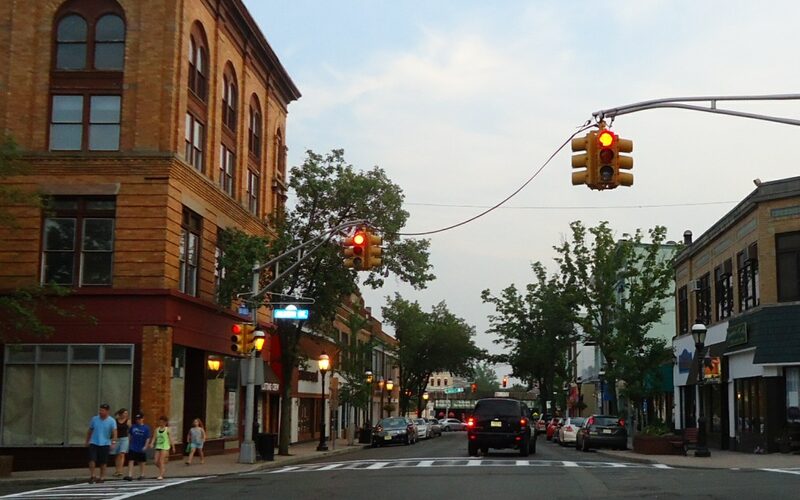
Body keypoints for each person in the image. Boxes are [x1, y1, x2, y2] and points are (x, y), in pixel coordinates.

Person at [85, 403, 117, 484]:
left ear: (107, 411)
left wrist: (113, 442)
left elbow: (114, 432)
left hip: (105, 443)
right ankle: (93, 475)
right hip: (94, 442)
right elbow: (90, 430)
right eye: (100, 410)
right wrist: (87, 440)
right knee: (92, 459)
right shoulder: (94, 419)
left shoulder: (111, 421)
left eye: (102, 410)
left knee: (103, 462)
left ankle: (102, 477)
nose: (100, 412)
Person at [125, 412, 151, 481]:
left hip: (141, 446)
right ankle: (130, 475)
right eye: (137, 419)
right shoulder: (133, 426)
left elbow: (148, 438)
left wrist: (146, 446)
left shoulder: (146, 428)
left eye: (139, 419)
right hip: (133, 446)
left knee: (141, 461)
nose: (138, 420)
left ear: (143, 419)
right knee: (131, 460)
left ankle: (142, 474)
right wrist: (129, 442)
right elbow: (130, 434)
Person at [150, 416, 175, 480]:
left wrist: (173, 447)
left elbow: (171, 438)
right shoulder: (157, 429)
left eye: (163, 422)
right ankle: (163, 469)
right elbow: (154, 437)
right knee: (156, 461)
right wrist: (152, 443)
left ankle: (161, 475)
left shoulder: (167, 429)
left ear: (165, 423)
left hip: (165, 446)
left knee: (161, 460)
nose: (161, 423)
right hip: (158, 446)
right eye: (160, 422)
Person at [111, 408, 130, 477]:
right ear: (121, 414)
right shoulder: (115, 421)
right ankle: (117, 470)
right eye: (124, 413)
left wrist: (129, 438)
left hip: (124, 439)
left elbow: (130, 430)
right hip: (117, 438)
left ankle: (120, 470)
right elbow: (113, 430)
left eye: (126, 413)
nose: (126, 414)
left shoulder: (128, 421)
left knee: (122, 454)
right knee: (117, 455)